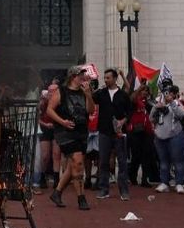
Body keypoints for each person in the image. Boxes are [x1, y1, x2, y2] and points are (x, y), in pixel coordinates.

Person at [46, 65, 94, 210]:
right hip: (65, 132)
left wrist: (88, 94)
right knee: (78, 164)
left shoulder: (84, 92)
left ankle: (57, 193)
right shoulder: (62, 91)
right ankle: (81, 198)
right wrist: (62, 122)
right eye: (81, 75)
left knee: (73, 165)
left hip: (81, 131)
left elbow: (91, 111)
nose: (83, 78)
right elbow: (49, 110)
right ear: (73, 77)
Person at [94, 68, 132, 200]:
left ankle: (124, 191)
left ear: (115, 79)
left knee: (122, 162)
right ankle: (104, 189)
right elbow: (90, 101)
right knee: (103, 161)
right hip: (104, 131)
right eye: (104, 78)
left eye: (108, 78)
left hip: (119, 133)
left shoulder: (123, 95)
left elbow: (129, 111)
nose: (106, 80)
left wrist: (123, 120)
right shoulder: (101, 93)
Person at [150, 84, 184, 193]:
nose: (167, 95)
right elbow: (151, 118)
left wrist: (171, 103)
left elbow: (181, 115)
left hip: (175, 135)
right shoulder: (158, 103)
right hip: (160, 136)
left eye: (170, 93)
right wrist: (156, 108)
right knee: (163, 161)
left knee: (178, 160)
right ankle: (164, 183)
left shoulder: (176, 103)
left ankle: (179, 183)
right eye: (165, 93)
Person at [125, 86, 157, 187]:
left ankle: (144, 179)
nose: (144, 92)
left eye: (146, 91)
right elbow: (132, 98)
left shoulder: (149, 103)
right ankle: (132, 176)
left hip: (147, 132)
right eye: (143, 90)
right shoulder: (135, 101)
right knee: (136, 156)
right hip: (135, 132)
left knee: (146, 156)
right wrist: (139, 89)